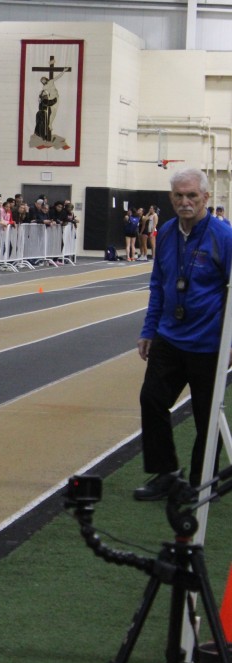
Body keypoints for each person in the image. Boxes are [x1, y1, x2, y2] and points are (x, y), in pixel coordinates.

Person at [135, 168, 232, 500]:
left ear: (206, 197)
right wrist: (149, 329)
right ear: (170, 197)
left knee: (207, 417)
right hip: (169, 338)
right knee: (152, 400)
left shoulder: (223, 236)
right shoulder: (166, 232)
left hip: (209, 344)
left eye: (192, 195)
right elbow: (158, 284)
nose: (185, 201)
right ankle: (166, 473)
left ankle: (200, 482)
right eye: (178, 195)